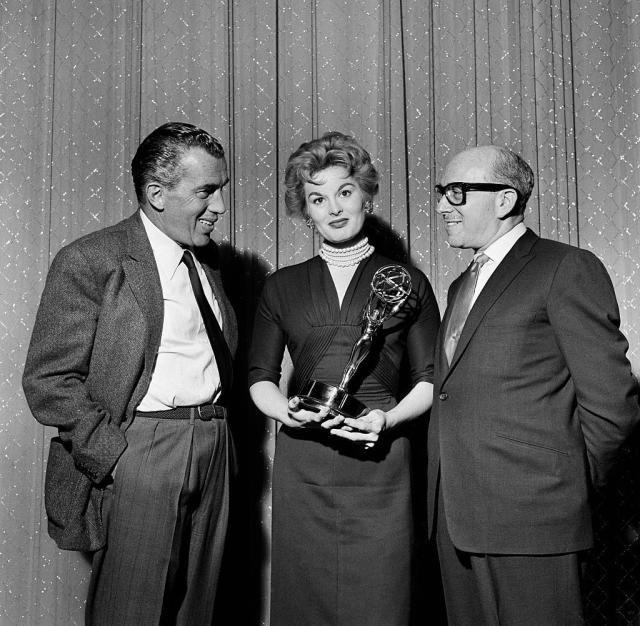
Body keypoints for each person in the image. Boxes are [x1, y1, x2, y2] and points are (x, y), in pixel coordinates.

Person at [22, 122, 237, 625]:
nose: (220, 208)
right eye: (206, 191)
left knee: (198, 610)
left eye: (221, 190)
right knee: (132, 613)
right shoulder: (91, 259)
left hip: (216, 444)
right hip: (142, 450)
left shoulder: (210, 261)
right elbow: (49, 379)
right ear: (157, 194)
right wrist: (115, 457)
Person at [428, 144, 640, 625]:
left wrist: (566, 488)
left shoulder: (565, 267)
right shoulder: (462, 284)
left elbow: (613, 404)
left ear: (504, 200)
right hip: (455, 518)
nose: (443, 205)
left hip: (535, 518)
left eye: (457, 192)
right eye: (442, 192)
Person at [248, 131, 440, 625]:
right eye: (317, 198)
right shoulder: (280, 286)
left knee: (381, 603)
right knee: (304, 604)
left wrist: (387, 419)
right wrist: (282, 410)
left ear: (366, 195)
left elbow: (430, 378)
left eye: (344, 192)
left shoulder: (406, 282)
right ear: (304, 210)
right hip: (304, 466)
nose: (333, 208)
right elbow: (259, 376)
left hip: (381, 462)